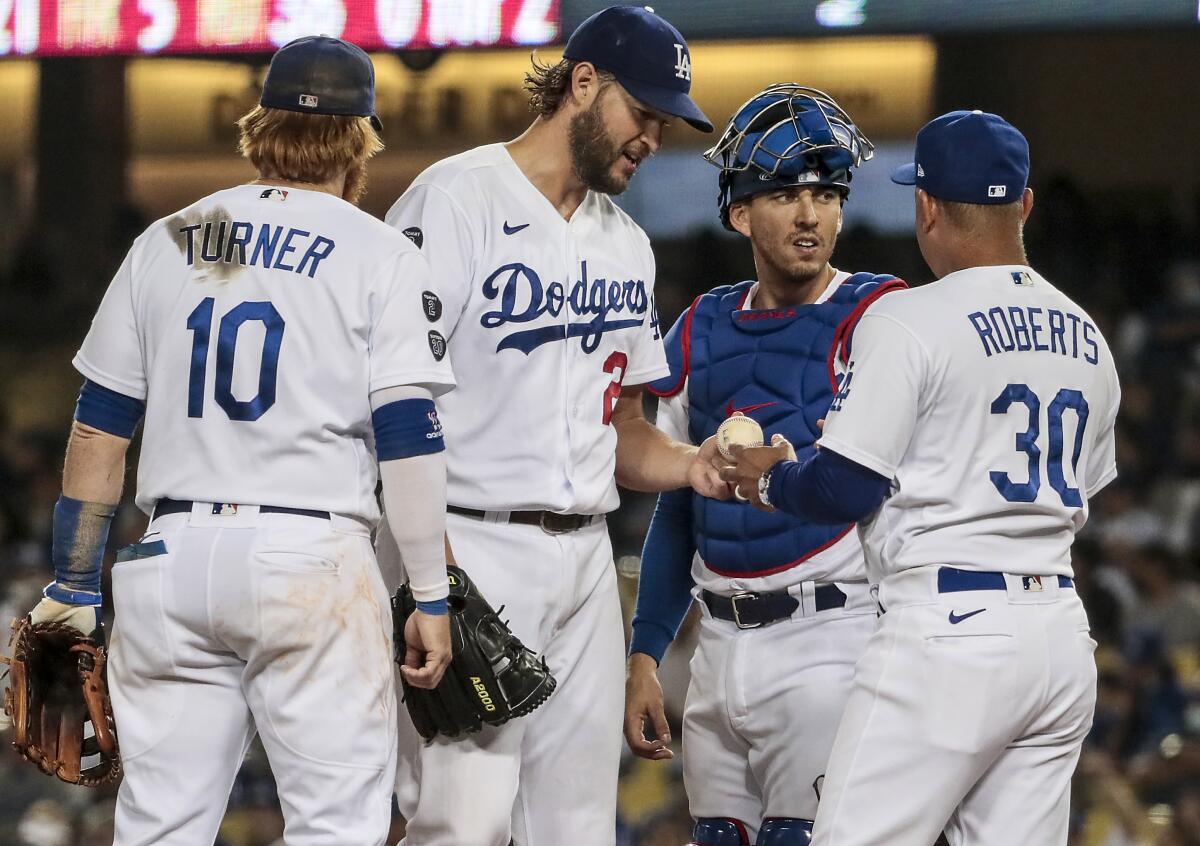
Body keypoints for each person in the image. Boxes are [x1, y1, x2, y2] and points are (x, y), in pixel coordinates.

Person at [24, 36, 457, 845]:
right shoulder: (381, 253)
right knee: (335, 828)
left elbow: (98, 426)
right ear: (360, 139)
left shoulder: (165, 240)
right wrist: (430, 594)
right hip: (309, 561)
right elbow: (406, 436)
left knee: (159, 827)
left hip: (171, 560)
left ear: (260, 126)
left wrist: (76, 581)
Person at [720, 110, 1121, 846]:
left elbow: (843, 488)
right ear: (1024, 204)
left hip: (948, 631)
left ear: (926, 206)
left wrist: (771, 478)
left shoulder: (909, 319)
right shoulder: (1087, 335)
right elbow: (1085, 490)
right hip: (1059, 636)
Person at [379, 6, 723, 845]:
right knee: (463, 822)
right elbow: (392, 401)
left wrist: (694, 465)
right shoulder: (455, 199)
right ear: (581, 83)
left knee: (577, 829)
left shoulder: (628, 246)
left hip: (584, 561)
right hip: (467, 540)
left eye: (665, 122)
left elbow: (627, 429)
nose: (652, 136)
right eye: (641, 112)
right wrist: (431, 575)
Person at [622, 85, 904, 846]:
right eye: (784, 193)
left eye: (825, 193)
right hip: (714, 647)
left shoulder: (884, 316)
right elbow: (680, 508)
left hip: (833, 633)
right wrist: (646, 654)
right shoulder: (701, 327)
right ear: (740, 212)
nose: (810, 215)